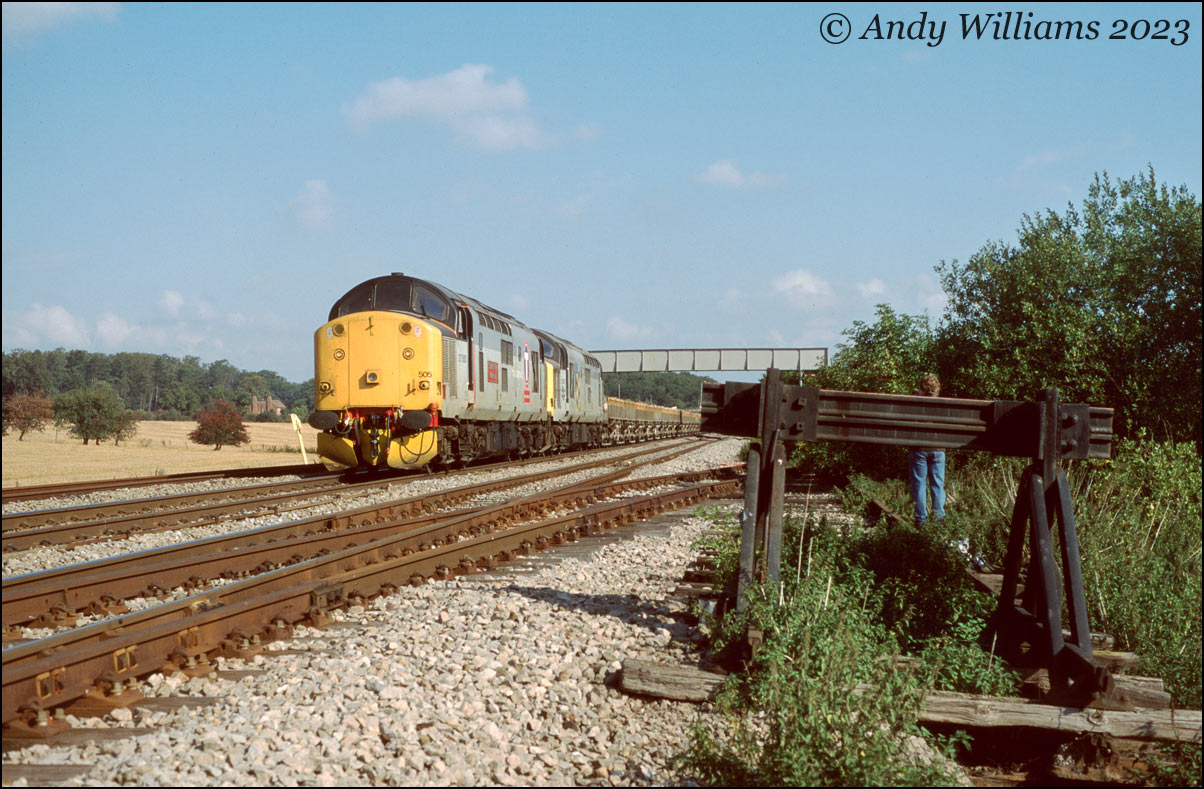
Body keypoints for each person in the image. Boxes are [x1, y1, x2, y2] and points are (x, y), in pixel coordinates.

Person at [909, 374, 946, 526]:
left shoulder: (915, 403)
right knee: (937, 485)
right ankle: (938, 520)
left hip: (920, 449)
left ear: (921, 388)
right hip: (938, 450)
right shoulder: (943, 405)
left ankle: (921, 520)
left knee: (919, 484)